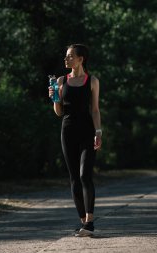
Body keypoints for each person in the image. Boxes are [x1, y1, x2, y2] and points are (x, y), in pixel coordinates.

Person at [48, 44, 102, 237]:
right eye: (66, 56)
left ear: (81, 59)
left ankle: (90, 222)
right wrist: (55, 97)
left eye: (70, 56)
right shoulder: (62, 81)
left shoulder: (92, 81)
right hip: (68, 131)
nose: (66, 59)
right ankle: (83, 223)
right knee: (74, 178)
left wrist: (99, 131)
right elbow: (59, 112)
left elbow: (94, 110)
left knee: (85, 175)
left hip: (87, 130)